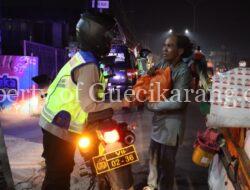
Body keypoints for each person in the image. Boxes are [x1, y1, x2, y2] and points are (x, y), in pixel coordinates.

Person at [39, 11, 129, 190]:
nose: (110, 41)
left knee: (60, 172)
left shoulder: (83, 58)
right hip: (59, 128)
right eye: (107, 36)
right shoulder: (89, 65)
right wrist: (124, 102)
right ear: (95, 36)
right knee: (57, 178)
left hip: (57, 124)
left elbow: (90, 95)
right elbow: (89, 105)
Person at [143, 34, 193, 190]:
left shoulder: (183, 71)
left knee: (166, 164)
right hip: (158, 123)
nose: (164, 48)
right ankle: (151, 186)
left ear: (180, 51)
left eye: (170, 46)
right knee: (153, 157)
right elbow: (152, 76)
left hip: (171, 126)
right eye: (164, 45)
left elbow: (179, 101)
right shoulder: (163, 63)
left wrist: (153, 106)